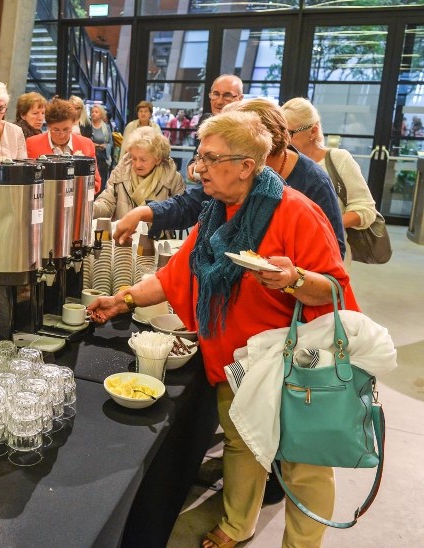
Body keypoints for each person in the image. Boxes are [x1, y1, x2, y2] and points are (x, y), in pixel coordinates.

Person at [88, 110, 357, 548]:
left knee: (303, 464)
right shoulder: (217, 212)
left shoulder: (296, 212)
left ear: (247, 166)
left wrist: (294, 279)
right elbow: (177, 274)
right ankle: (237, 524)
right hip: (235, 359)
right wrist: (123, 299)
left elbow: (334, 290)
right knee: (242, 444)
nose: (199, 169)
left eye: (211, 159)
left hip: (294, 364)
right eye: (199, 157)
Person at [113, 98, 346, 260]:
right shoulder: (231, 171)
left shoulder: (311, 183)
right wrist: (144, 212)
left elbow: (333, 254)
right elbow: (192, 204)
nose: (204, 167)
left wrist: (292, 277)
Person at [282, 97, 378, 267]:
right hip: (287, 252)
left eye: (290, 133)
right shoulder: (280, 162)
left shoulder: (338, 159)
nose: (285, 140)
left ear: (313, 131)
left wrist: (327, 224)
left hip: (328, 251)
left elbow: (366, 209)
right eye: (280, 133)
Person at [93, 127, 184, 220]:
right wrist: (91, 209)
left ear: (158, 159)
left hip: (156, 234)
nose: (137, 164)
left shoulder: (173, 178)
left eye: (143, 160)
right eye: (134, 158)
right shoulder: (119, 172)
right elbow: (107, 203)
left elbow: (181, 213)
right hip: (124, 233)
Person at [25, 97, 101, 192]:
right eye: (56, 130)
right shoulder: (32, 144)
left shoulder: (86, 144)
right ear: (48, 126)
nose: (61, 135)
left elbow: (96, 183)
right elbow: (27, 182)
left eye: (66, 129)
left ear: (73, 124)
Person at [90, 104, 113, 187]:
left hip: (103, 157)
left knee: (102, 181)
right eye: (92, 112)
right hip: (92, 156)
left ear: (101, 114)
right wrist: (92, 144)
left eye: (96, 112)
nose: (94, 114)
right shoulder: (88, 126)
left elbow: (110, 143)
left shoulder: (106, 127)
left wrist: (105, 146)